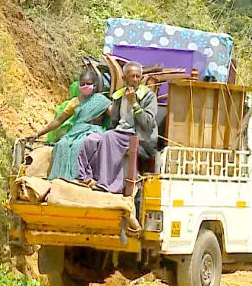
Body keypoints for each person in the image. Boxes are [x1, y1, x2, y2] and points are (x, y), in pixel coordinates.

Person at [77, 61, 158, 194]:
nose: (136, 80)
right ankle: (86, 177)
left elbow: (147, 123)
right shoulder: (119, 95)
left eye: (138, 76)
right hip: (120, 133)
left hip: (139, 137)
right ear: (125, 78)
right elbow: (114, 122)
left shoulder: (148, 96)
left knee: (110, 137)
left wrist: (134, 104)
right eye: (132, 76)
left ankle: (108, 184)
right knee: (90, 140)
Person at [27, 70, 100, 143]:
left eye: (88, 84)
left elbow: (111, 115)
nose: (85, 86)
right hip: (78, 135)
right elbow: (59, 120)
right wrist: (38, 134)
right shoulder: (75, 103)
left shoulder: (101, 100)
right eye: (82, 84)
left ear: (94, 85)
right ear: (79, 85)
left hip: (95, 135)